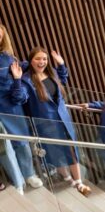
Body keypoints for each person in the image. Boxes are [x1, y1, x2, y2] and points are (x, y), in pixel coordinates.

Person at [21, 47, 91, 196]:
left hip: (63, 119)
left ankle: (79, 182)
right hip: (45, 123)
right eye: (38, 59)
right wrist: (15, 80)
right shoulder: (26, 80)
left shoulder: (51, 73)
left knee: (72, 149)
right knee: (56, 152)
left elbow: (63, 81)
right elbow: (21, 98)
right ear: (30, 61)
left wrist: (61, 65)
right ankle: (68, 179)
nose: (42, 62)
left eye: (44, 59)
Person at [0, 25, 43, 194]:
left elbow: (27, 69)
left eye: (0, 36)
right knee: (4, 147)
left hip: (12, 106)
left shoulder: (9, 58)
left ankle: (29, 174)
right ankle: (18, 181)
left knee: (22, 142)